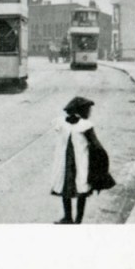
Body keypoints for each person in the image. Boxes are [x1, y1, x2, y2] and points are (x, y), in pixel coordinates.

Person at [50, 96, 114, 224]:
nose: (89, 113)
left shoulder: (62, 122)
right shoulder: (85, 126)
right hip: (80, 161)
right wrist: (101, 160)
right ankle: (77, 220)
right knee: (81, 189)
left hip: (66, 162)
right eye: (88, 110)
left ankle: (68, 217)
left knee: (65, 188)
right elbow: (96, 144)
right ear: (81, 111)